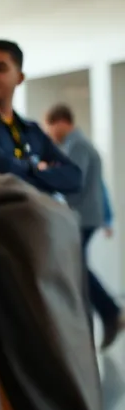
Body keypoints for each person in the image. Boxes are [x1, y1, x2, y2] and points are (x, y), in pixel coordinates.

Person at [0, 41, 82, 197]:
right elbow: (0, 174)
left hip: (33, 218)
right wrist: (37, 167)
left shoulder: (31, 131)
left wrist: (25, 171)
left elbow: (74, 177)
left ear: (19, 77)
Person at [45, 104, 123, 348]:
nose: (50, 133)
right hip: (86, 216)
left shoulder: (77, 146)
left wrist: (46, 174)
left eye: (50, 127)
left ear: (61, 122)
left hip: (82, 217)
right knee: (76, 266)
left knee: (76, 267)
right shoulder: (78, 145)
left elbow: (73, 181)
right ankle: (106, 313)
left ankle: (109, 312)